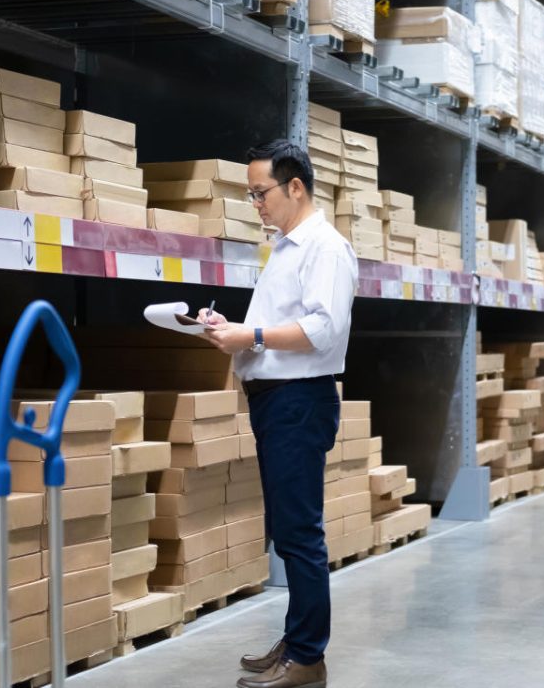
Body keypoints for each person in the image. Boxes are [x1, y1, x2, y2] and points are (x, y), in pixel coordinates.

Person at [198, 139, 358, 688]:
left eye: (260, 193)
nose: (256, 205)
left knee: (300, 533)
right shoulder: (287, 247)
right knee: (288, 529)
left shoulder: (325, 249)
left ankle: (308, 657)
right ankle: (296, 638)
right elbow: (277, 323)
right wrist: (230, 330)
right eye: (250, 195)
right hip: (275, 400)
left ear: (295, 186)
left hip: (299, 401)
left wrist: (254, 335)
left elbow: (323, 329)